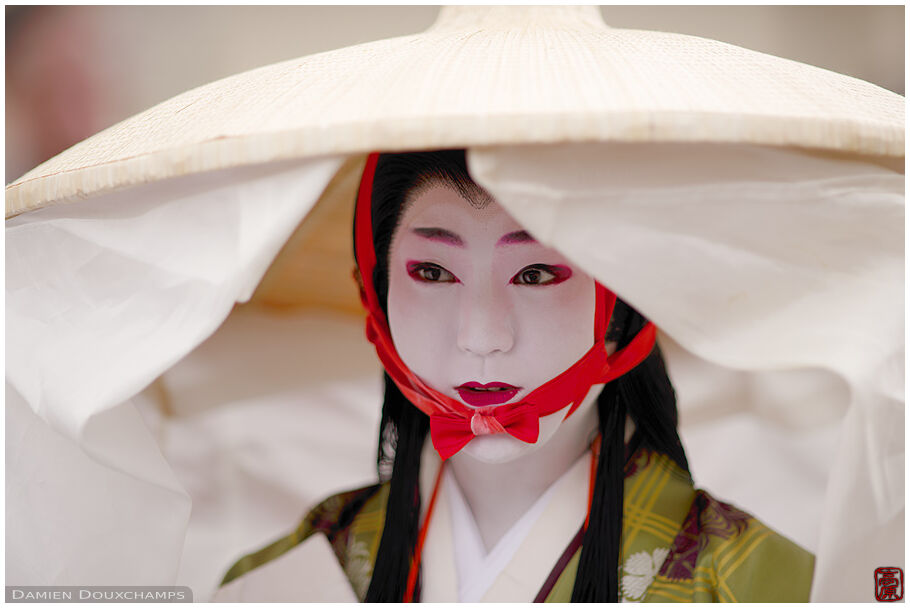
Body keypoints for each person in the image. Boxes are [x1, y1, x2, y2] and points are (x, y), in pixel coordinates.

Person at [215, 150, 815, 602]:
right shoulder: (288, 576)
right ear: (378, 297)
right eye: (431, 270)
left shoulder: (756, 580)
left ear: (621, 304)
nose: (481, 337)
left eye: (534, 274)